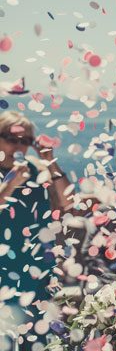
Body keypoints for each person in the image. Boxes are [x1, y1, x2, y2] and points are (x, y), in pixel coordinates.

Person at [0, 111, 72, 350]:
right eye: (12, 138)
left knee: (37, 334)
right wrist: (10, 185)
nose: (19, 145)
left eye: (25, 140)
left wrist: (50, 161)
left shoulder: (38, 169)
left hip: (37, 264)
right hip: (3, 266)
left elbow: (68, 202)